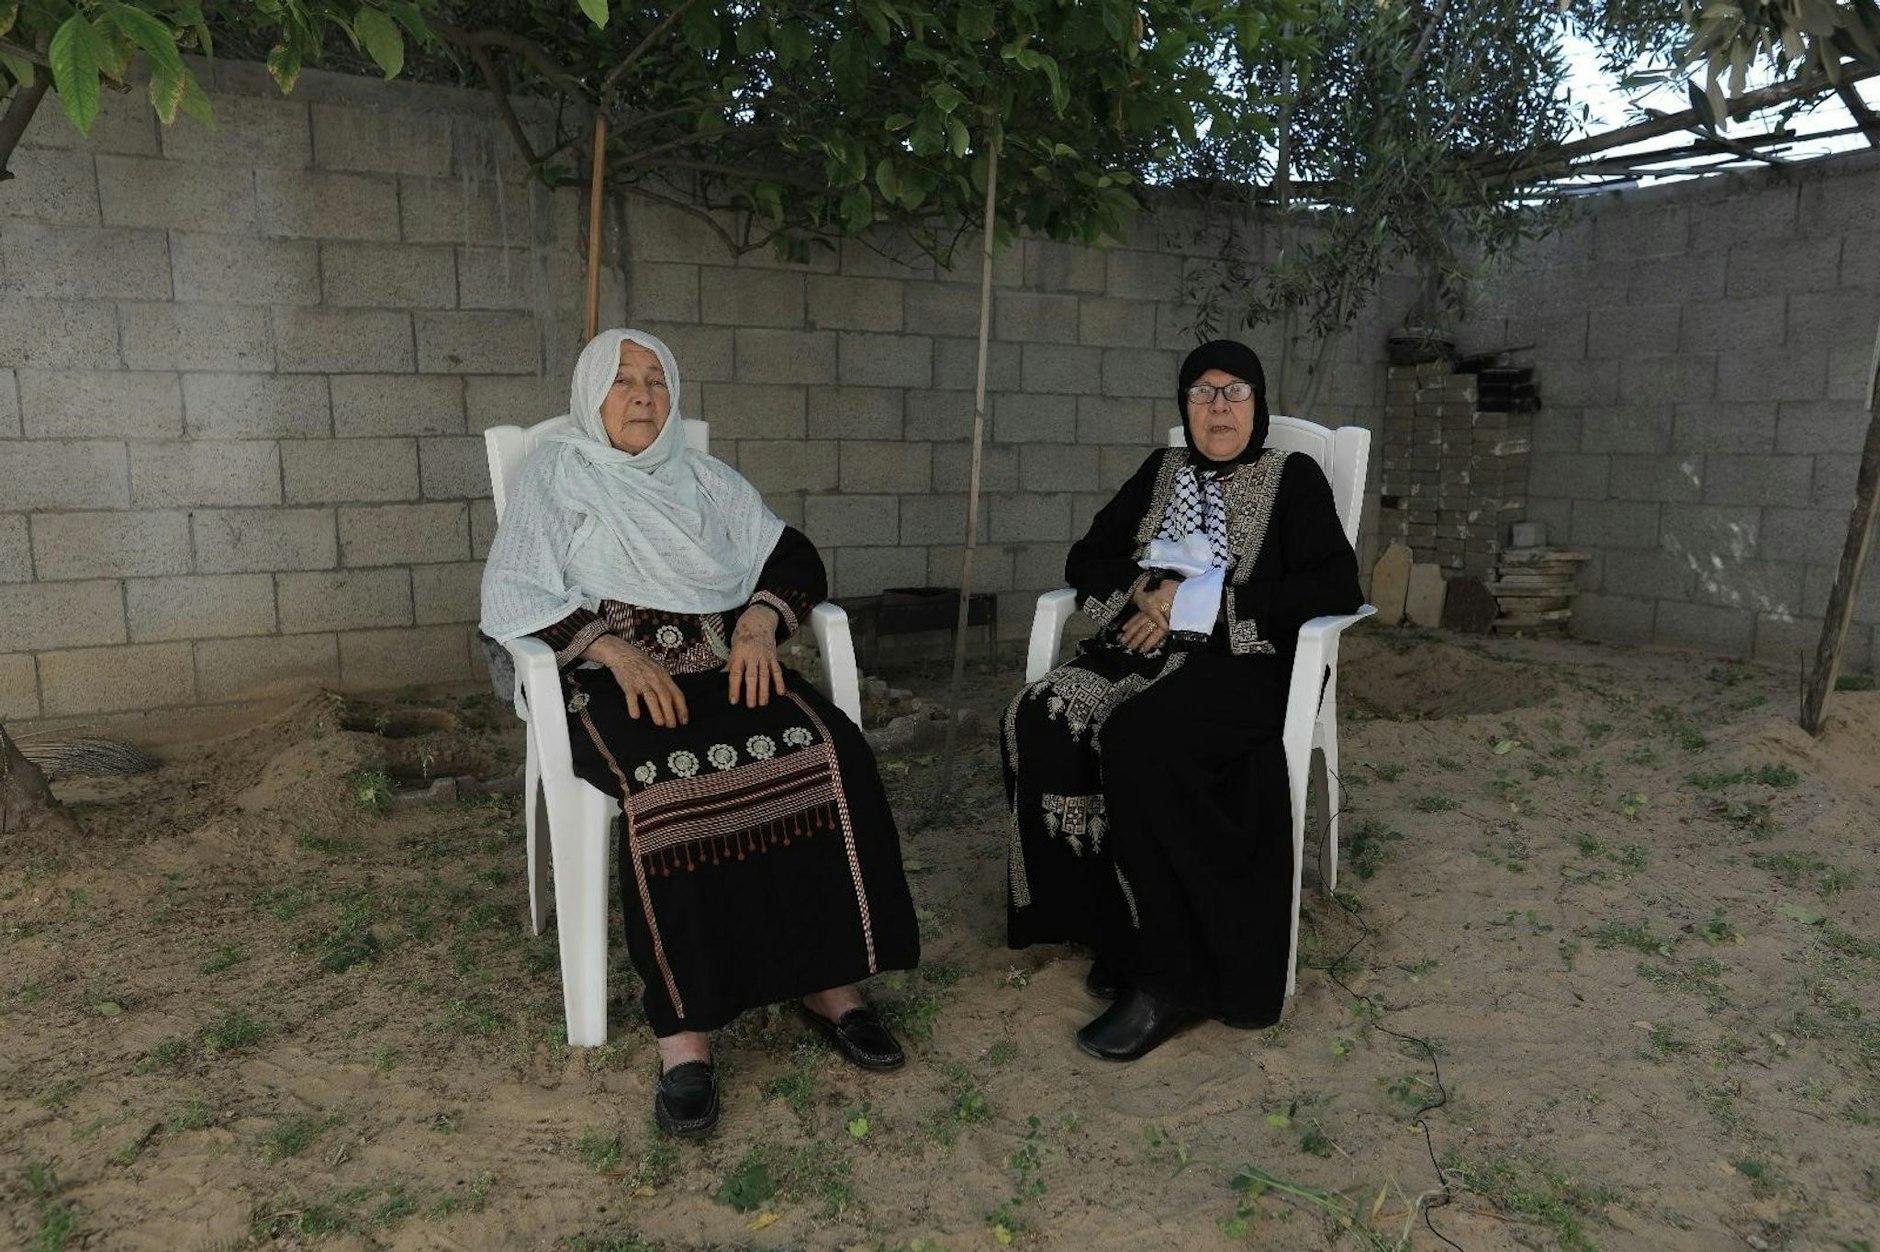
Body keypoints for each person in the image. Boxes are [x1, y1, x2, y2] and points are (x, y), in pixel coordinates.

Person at [481, 329, 919, 1137]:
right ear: (590, 397)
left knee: (831, 753)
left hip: (723, 662)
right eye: (622, 381)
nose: (643, 395)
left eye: (655, 381)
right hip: (611, 683)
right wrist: (611, 650)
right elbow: (515, 587)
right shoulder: (558, 473)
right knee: (674, 786)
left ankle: (831, 985)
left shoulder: (705, 479)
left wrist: (757, 623)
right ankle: (685, 1037)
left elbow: (789, 555)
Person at [1001, 339, 1363, 1061]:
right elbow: (1087, 557)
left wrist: (1198, 600)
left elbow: (1333, 587)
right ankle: (1114, 929)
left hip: (1249, 660)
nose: (1218, 407)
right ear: (1184, 408)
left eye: (1234, 392)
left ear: (1256, 404)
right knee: (1041, 714)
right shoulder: (1160, 472)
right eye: (1202, 393)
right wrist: (1145, 590)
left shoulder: (1294, 478)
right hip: (1141, 647)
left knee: (1142, 737)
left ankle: (1170, 975)